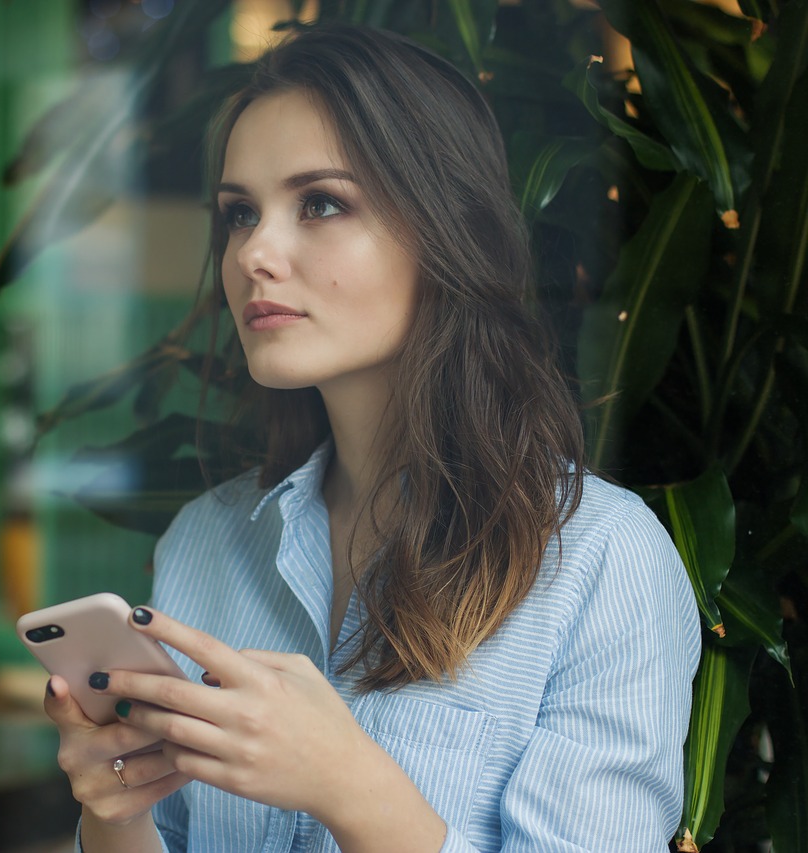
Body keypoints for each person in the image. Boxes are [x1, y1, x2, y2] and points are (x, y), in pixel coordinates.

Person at [43, 23, 701, 853]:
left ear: (445, 232)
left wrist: (351, 788)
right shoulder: (205, 542)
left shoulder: (602, 561)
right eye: (239, 214)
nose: (255, 253)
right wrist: (116, 809)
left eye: (320, 203)